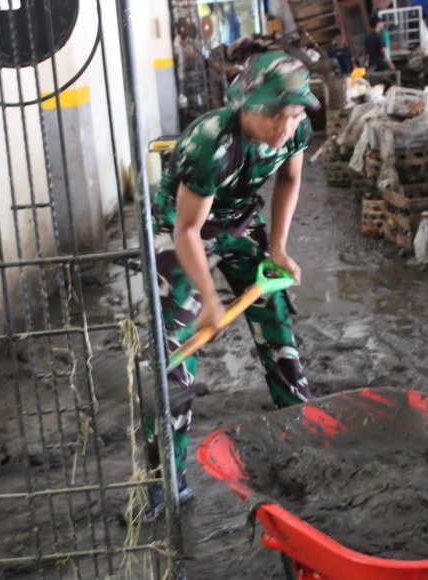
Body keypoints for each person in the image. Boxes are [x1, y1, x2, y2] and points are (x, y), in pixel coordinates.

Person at [145, 52, 318, 518]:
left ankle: (301, 442)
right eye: (273, 114)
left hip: (241, 220)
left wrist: (278, 247)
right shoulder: (209, 143)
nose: (284, 126)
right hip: (181, 228)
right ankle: (165, 479)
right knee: (175, 352)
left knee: (278, 326)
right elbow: (186, 232)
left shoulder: (296, 130)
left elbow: (290, 178)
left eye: (294, 113)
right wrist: (205, 300)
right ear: (246, 105)